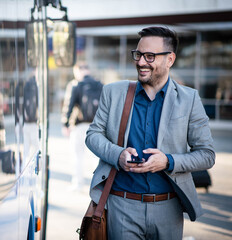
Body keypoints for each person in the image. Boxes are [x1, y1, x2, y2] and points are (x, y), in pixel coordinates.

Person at [85, 26, 215, 239]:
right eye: (138, 54)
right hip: (122, 205)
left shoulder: (190, 99)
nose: (141, 62)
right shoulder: (113, 92)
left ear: (170, 59)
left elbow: (207, 155)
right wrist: (117, 154)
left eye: (150, 56)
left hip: (168, 208)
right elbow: (93, 135)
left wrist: (168, 161)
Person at [62, 61, 103, 190]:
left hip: (79, 126)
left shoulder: (75, 85)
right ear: (88, 70)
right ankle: (97, 185)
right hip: (96, 127)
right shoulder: (99, 84)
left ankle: (78, 184)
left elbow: (69, 105)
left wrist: (65, 123)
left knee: (78, 156)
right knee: (96, 157)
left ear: (78, 71)